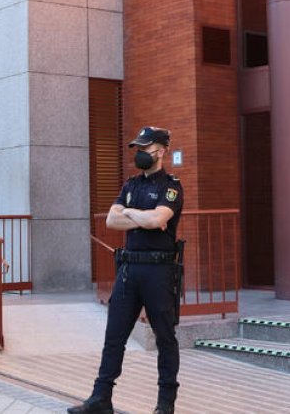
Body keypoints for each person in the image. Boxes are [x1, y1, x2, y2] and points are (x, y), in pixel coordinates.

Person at [69, 126, 184, 414]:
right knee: (114, 335)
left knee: (165, 336)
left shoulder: (171, 186)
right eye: (138, 149)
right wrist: (141, 217)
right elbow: (111, 220)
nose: (139, 154)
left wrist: (131, 214)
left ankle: (165, 404)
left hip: (159, 271)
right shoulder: (131, 185)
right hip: (129, 269)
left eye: (144, 149)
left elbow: (159, 218)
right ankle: (100, 398)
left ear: (160, 151)